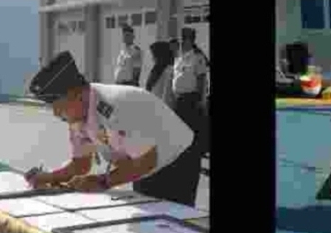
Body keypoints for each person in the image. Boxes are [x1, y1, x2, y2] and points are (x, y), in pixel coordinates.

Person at [25, 51, 200, 206]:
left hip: (176, 160)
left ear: (75, 95)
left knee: (173, 222)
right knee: (147, 214)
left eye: (58, 106)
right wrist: (49, 177)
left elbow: (147, 162)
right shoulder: (77, 115)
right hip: (139, 162)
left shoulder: (116, 107)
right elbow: (81, 164)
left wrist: (102, 181)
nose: (56, 113)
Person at [173, 28, 209, 156]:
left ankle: (192, 154)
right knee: (180, 127)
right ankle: (183, 153)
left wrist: (201, 99)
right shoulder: (179, 57)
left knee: (191, 127)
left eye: (185, 39)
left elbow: (201, 79)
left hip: (191, 98)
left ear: (190, 41)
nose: (182, 42)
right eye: (182, 39)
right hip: (179, 98)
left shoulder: (197, 57)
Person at [145, 41, 176, 109]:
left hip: (162, 108)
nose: (152, 58)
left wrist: (163, 109)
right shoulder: (155, 70)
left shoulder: (169, 70)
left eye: (153, 55)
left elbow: (167, 94)